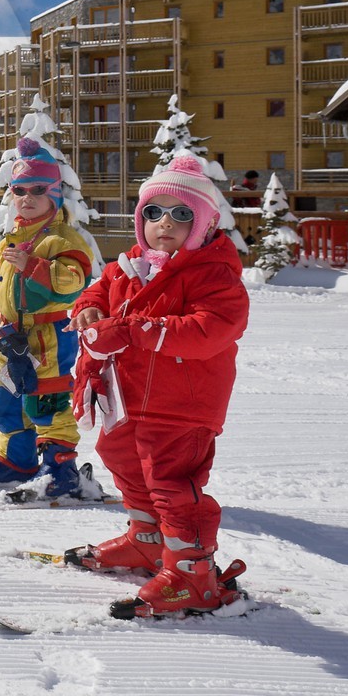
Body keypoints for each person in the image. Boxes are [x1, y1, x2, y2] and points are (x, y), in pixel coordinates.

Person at [65, 154, 251, 617]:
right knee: (120, 457)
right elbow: (98, 290)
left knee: (171, 480)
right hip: (126, 397)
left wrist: (134, 330)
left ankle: (193, 572)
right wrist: (88, 309)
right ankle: (147, 541)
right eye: (153, 212)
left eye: (181, 214)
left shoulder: (213, 273)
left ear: (205, 223)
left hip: (181, 403)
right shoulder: (129, 265)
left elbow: (212, 329)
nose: (164, 222)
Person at [0, 137, 95, 497]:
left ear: (55, 195)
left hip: (48, 338)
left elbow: (73, 283)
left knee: (46, 402)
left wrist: (33, 267)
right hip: (12, 338)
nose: (27, 198)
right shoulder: (11, 237)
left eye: (37, 189)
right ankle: (17, 461)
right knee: (7, 399)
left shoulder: (63, 239)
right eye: (19, 190)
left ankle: (60, 469)